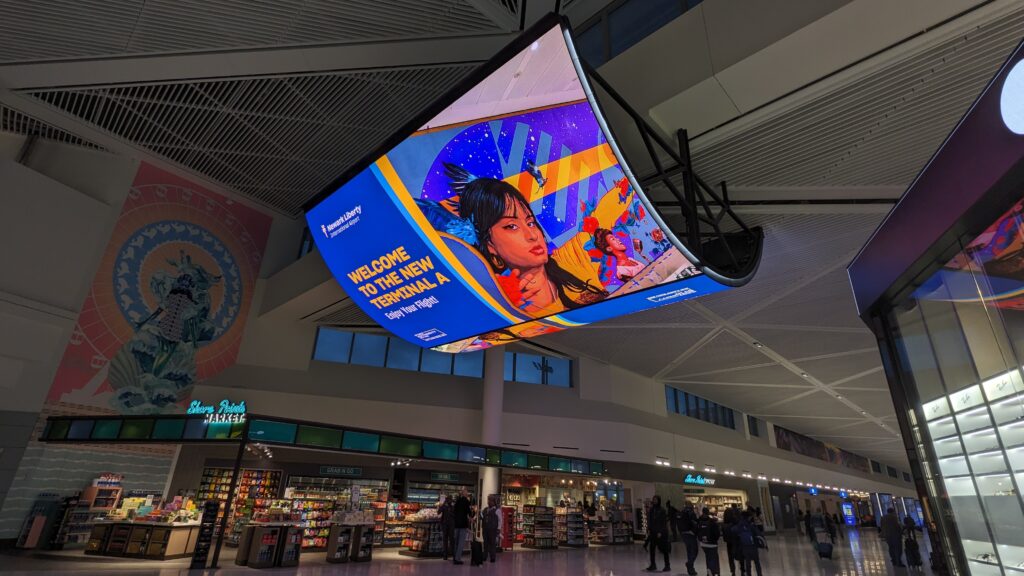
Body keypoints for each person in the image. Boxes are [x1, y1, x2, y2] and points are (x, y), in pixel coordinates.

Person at [439, 163, 613, 317]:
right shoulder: (502, 309)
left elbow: (609, 208)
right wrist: (500, 305)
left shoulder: (572, 259)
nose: (532, 235)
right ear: (490, 246)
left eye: (530, 222)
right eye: (511, 226)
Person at [645, 496, 671, 572]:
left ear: (659, 500)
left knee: (664, 549)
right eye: (653, 500)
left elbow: (663, 522)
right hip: (653, 532)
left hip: (660, 533)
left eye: (656, 500)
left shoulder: (662, 510)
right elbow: (650, 520)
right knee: (652, 549)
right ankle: (653, 565)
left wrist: (660, 531)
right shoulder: (651, 510)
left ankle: (667, 565)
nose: (654, 501)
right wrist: (648, 528)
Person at [737, 511, 763, 576]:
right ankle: (759, 574)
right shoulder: (751, 525)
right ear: (748, 517)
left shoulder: (739, 525)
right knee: (757, 562)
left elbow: (738, 534)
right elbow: (757, 534)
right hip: (753, 546)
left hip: (744, 546)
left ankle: (749, 574)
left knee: (747, 562)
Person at [697, 507, 722, 576]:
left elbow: (697, 531)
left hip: (703, 543)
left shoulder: (699, 521)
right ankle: (714, 573)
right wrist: (715, 540)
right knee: (714, 559)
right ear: (708, 512)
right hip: (712, 544)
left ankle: (709, 572)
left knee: (708, 558)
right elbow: (717, 533)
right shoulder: (712, 521)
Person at [452, 489, 472, 565]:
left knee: (456, 542)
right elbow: (469, 512)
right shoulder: (466, 501)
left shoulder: (457, 501)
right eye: (467, 493)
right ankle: (458, 559)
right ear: (464, 494)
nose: (467, 494)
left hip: (456, 524)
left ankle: (454, 557)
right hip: (463, 524)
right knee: (461, 542)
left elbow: (454, 511)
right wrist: (471, 516)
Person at [679, 503, 700, 576]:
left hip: (684, 534)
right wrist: (694, 531)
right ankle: (689, 564)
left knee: (689, 551)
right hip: (690, 534)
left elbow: (679, 523)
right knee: (695, 551)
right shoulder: (691, 513)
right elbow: (695, 523)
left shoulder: (682, 512)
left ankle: (691, 569)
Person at [722, 504, 742, 576]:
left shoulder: (724, 525)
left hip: (729, 543)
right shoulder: (736, 523)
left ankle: (733, 571)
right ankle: (742, 569)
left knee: (730, 557)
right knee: (740, 556)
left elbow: (724, 538)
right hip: (737, 541)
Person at [481, 495, 501, 563]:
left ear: (494, 502)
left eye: (490, 500)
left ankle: (492, 557)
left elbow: (500, 520)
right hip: (485, 529)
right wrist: (479, 514)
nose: (489, 502)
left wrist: (498, 529)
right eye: (488, 500)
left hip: (493, 529)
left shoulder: (497, 510)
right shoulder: (485, 509)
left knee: (492, 543)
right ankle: (484, 556)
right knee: (485, 543)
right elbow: (482, 516)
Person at [439, 495, 455, 561]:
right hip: (446, 525)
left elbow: (455, 515)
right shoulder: (445, 506)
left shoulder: (452, 507)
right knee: (447, 540)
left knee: (450, 540)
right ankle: (446, 555)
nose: (450, 501)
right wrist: (443, 505)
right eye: (449, 500)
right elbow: (438, 512)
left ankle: (452, 554)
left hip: (449, 525)